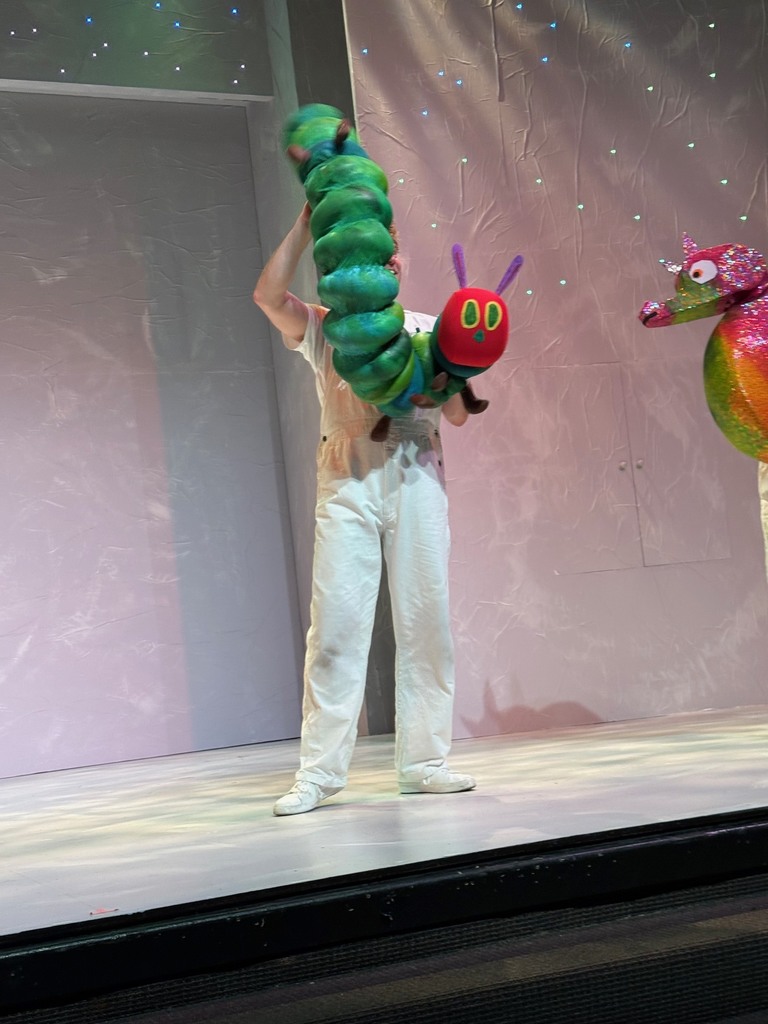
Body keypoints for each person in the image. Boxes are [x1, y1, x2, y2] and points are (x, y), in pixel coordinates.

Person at [253, 203, 476, 815]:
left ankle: (425, 761)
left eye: (386, 256)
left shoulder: (427, 329)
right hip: (346, 479)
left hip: (416, 476)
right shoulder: (328, 327)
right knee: (337, 629)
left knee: (427, 621)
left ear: (397, 265)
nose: (379, 266)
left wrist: (456, 363)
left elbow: (456, 414)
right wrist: (301, 226)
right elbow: (268, 295)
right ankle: (319, 774)